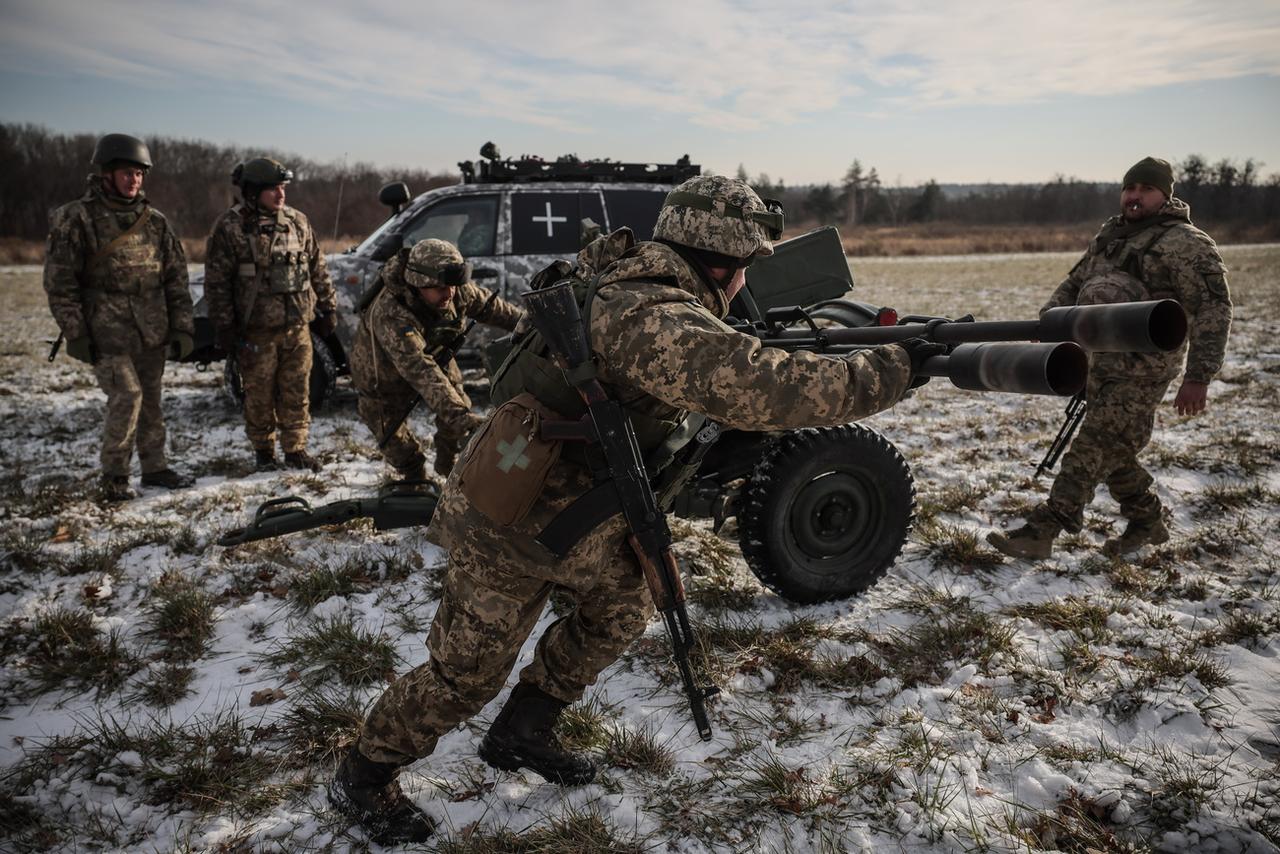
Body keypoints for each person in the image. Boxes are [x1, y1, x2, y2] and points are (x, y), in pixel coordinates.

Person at [328, 175, 941, 843]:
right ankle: (362, 773)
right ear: (726, 264)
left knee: (621, 608)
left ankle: (523, 729)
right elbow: (766, 391)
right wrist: (893, 367)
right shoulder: (649, 315)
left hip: (579, 509)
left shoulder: (638, 283)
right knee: (464, 677)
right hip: (510, 520)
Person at [988, 156, 1233, 560]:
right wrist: (1047, 328)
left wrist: (1199, 376)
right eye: (1129, 188)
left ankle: (1042, 530)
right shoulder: (1111, 236)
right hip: (1098, 363)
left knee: (1091, 446)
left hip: (1144, 371)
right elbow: (1074, 284)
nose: (1134, 196)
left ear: (1165, 195)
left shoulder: (1187, 244)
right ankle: (1147, 522)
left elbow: (1213, 309)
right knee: (1114, 449)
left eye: (1145, 189)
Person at [43, 133, 196, 502]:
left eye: (140, 174)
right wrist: (76, 332)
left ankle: (155, 467)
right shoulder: (75, 218)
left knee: (153, 400)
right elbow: (60, 282)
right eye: (127, 173)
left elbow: (176, 277)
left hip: (151, 329)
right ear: (106, 174)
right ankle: (114, 475)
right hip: (105, 332)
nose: (134, 180)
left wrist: (182, 327)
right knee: (127, 396)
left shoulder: (155, 222)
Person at [348, 238, 524, 481]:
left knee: (456, 411)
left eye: (453, 286)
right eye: (440, 288)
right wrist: (463, 420)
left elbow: (497, 310)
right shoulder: (391, 313)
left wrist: (530, 325)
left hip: (435, 357)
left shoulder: (453, 290)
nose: (449, 293)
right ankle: (415, 480)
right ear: (418, 284)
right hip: (382, 379)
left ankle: (447, 468)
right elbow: (421, 370)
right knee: (399, 447)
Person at [204, 158, 335, 472]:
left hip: (297, 327)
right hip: (256, 332)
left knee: (297, 391)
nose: (281, 195)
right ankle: (264, 452)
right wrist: (224, 324)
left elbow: (318, 267)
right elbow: (217, 281)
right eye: (273, 189)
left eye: (283, 188)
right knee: (259, 395)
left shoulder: (298, 222)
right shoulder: (230, 226)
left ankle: (296, 449)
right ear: (252, 192)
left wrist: (328, 306)